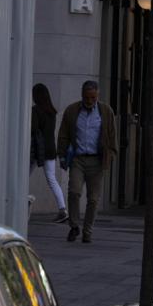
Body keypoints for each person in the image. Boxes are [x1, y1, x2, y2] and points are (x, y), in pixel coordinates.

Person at [57, 80, 117, 243]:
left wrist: (110, 154)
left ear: (97, 96)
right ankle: (74, 225)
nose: (89, 101)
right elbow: (63, 134)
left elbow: (112, 135)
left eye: (92, 98)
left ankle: (87, 230)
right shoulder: (72, 111)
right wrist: (62, 155)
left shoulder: (105, 111)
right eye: (86, 97)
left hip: (97, 160)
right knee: (74, 191)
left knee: (93, 199)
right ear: (82, 95)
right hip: (78, 158)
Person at [30, 83, 68, 222]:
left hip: (37, 149)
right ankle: (62, 209)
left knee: (23, 176)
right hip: (51, 148)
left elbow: (33, 129)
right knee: (52, 179)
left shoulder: (35, 111)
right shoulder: (52, 111)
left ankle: (20, 204)